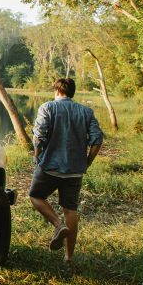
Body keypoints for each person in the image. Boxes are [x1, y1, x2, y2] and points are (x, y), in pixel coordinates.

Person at [28, 78, 104, 268]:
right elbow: (97, 139)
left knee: (35, 196)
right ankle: (69, 258)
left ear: (57, 90)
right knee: (70, 209)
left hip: (49, 167)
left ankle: (58, 224)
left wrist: (36, 156)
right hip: (75, 170)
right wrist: (87, 161)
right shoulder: (86, 112)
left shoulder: (47, 107)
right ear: (72, 92)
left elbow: (39, 136)